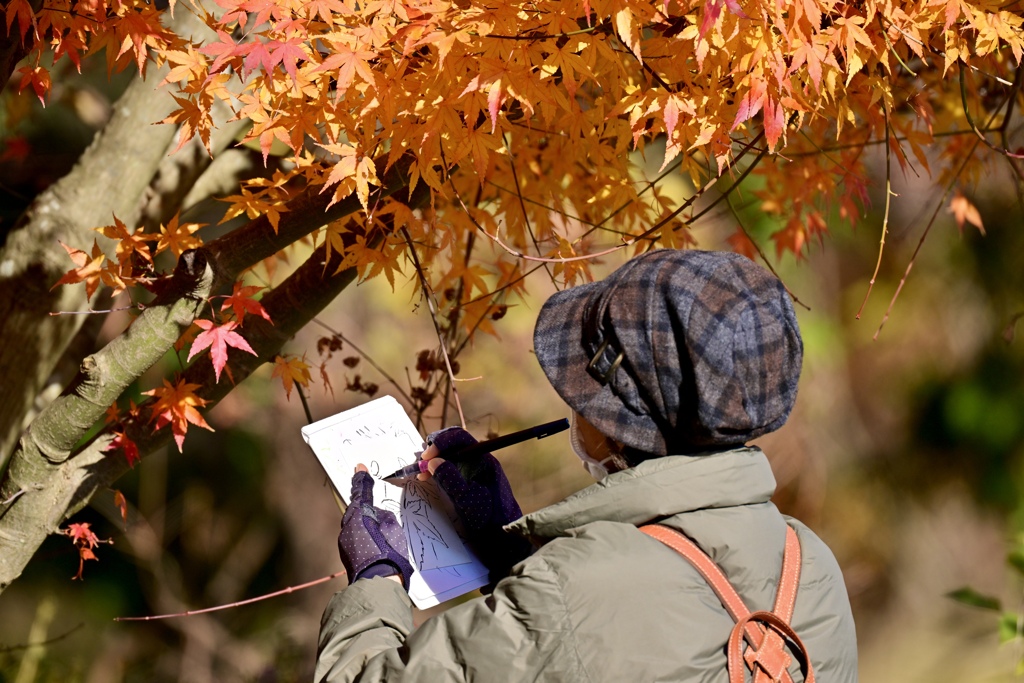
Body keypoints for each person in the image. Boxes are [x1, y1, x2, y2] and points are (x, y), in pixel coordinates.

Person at [314, 249, 858, 682]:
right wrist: (512, 555)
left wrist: (376, 579)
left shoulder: (570, 595)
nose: (575, 407)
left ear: (623, 418)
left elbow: (583, 626)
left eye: (584, 392)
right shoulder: (810, 561)